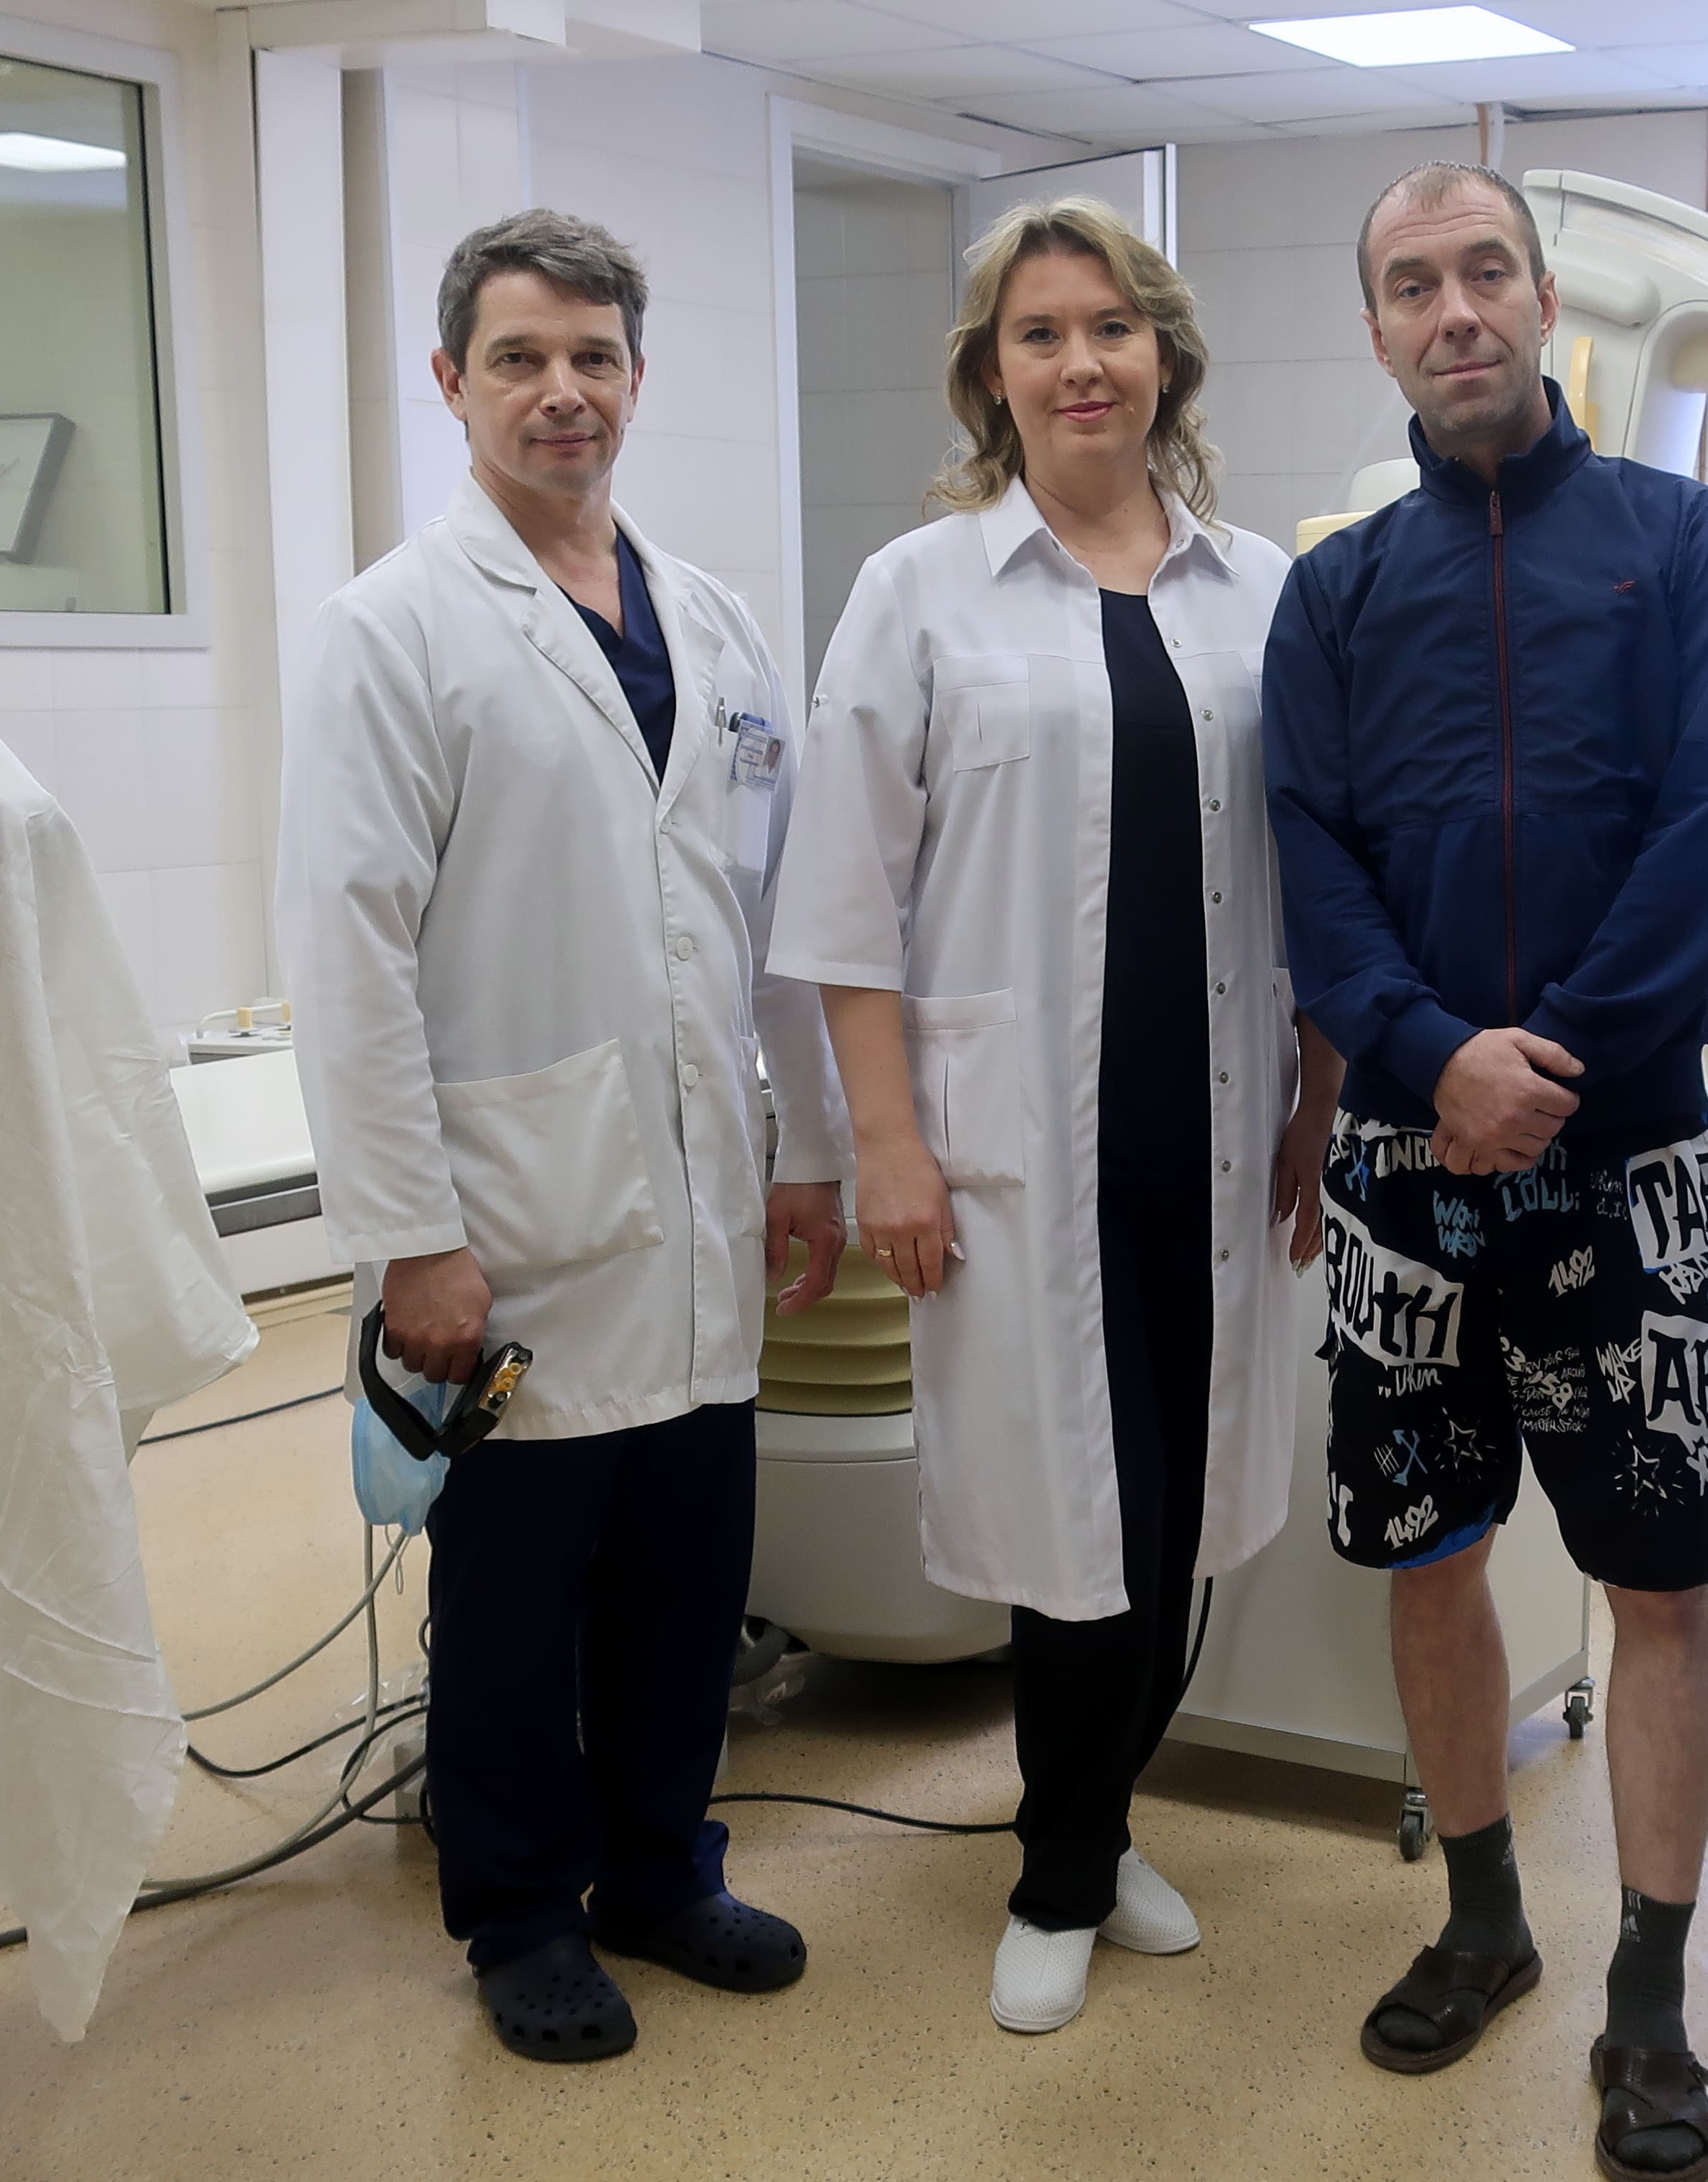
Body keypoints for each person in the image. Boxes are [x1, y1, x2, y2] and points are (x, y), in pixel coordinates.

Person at [278, 211, 849, 2064]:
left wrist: (809, 1146)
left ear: (635, 376)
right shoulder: (392, 630)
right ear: (452, 381)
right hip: (509, 1219)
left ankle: (661, 1869)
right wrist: (409, 1233)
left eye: (593, 357)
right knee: (520, 1594)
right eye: (519, 359)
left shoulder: (717, 622)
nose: (561, 392)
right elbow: (347, 954)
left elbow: (773, 914)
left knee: (687, 1570)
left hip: (693, 1198)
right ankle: (521, 1906)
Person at [1264, 162, 1708, 2182]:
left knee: (1657, 1577)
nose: (1454, 309)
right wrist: (1425, 1058)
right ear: (1376, 329)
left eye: (1485, 271)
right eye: (1413, 283)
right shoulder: (1335, 594)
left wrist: (1541, 1065)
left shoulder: (1687, 542)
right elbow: (1311, 864)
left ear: (1546, 300)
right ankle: (1481, 1915)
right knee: (1428, 1552)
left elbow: (1707, 829)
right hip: (1409, 1162)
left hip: (1623, 1151)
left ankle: (1648, 1994)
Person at [771, 198, 1333, 2037]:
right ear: (989, 373)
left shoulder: (1255, 590)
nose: (1079, 362)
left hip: (1217, 1117)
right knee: (1066, 1517)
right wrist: (883, 1142)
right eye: (1039, 334)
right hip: (1017, 1144)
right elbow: (843, 900)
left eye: (1109, 327)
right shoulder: (919, 590)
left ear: (1162, 355)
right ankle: (1061, 1865)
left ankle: (1095, 1821)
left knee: (1177, 1508)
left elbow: (1317, 868)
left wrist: (1318, 1099)